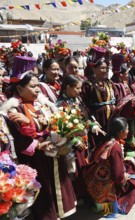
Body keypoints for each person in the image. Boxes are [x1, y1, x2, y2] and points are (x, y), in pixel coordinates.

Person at [3, 56, 77, 219]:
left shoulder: (40, 103)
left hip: (52, 155)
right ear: (20, 89)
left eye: (38, 87)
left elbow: (52, 123)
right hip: (35, 161)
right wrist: (39, 143)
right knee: (42, 200)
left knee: (55, 194)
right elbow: (19, 137)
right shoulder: (14, 109)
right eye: (33, 87)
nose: (37, 90)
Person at [83, 117, 135, 217]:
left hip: (92, 181)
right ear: (121, 132)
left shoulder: (106, 139)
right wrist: (124, 178)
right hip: (104, 185)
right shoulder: (115, 147)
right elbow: (118, 175)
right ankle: (106, 206)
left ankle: (99, 204)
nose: (128, 131)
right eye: (127, 129)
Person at [81, 46, 123, 135]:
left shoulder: (110, 83)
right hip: (97, 118)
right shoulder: (88, 85)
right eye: (102, 68)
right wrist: (92, 120)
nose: (105, 71)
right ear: (94, 68)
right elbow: (84, 104)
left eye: (107, 68)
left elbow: (117, 99)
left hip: (112, 118)